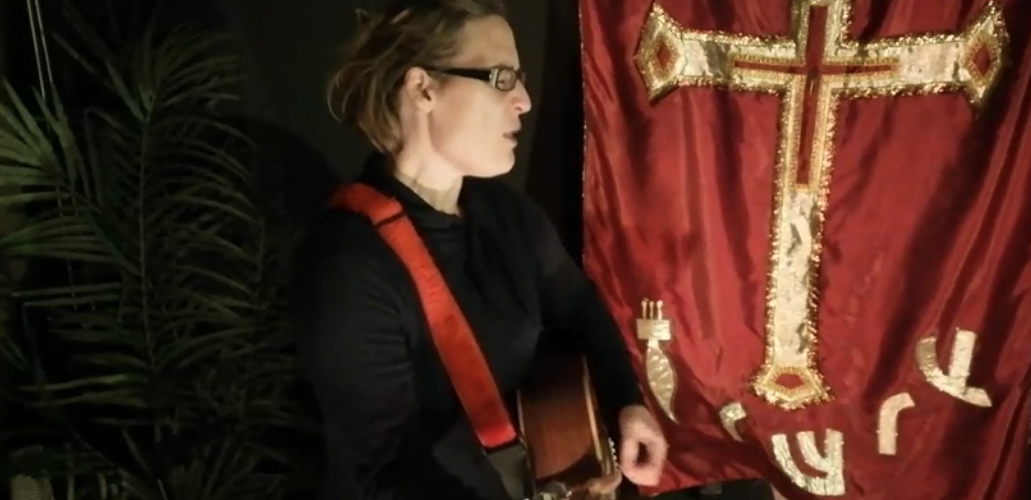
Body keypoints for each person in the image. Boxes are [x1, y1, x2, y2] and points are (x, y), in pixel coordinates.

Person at [289, 1, 668, 498]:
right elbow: (382, 473)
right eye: (501, 78)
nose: (524, 101)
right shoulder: (348, 266)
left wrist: (626, 404)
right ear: (423, 89)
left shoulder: (506, 214)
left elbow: (580, 310)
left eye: (520, 78)